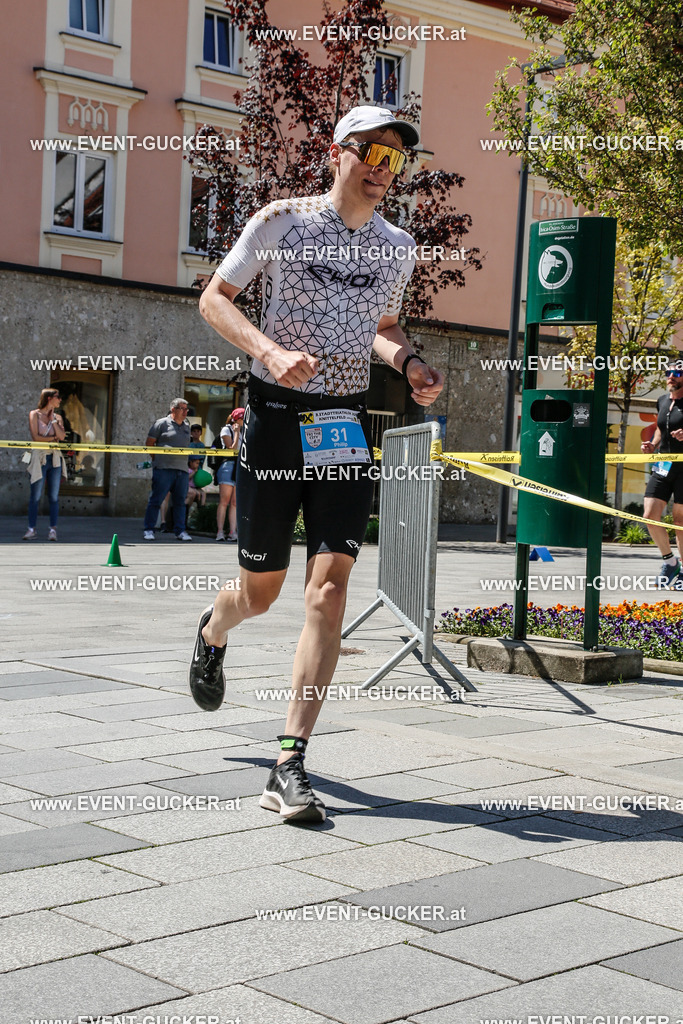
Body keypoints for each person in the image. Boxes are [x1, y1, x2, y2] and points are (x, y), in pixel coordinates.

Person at [189, 104, 444, 824]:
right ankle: (212, 629)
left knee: (328, 592)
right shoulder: (282, 220)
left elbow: (382, 327)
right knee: (260, 594)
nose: (382, 168)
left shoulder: (397, 246)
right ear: (338, 152)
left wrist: (409, 361)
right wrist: (268, 352)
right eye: (371, 151)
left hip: (343, 426)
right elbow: (214, 298)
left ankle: (289, 761)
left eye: (395, 158)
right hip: (274, 420)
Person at [641, 364, 683, 586]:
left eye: (677, 373)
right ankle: (670, 562)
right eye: (668, 373)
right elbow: (660, 429)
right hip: (663, 465)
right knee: (649, 515)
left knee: (679, 521)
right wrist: (652, 444)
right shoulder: (662, 400)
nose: (671, 377)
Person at [143, 398, 193, 541]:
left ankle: (180, 531)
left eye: (186, 409)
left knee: (180, 502)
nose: (185, 412)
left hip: (182, 469)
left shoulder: (187, 426)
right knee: (156, 499)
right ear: (173, 409)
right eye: (182, 409)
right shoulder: (161, 423)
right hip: (163, 468)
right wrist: (157, 459)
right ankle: (149, 529)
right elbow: (149, 444)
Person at [24, 388, 67, 541]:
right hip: (39, 458)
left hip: (54, 458)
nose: (60, 400)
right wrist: (52, 439)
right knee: (35, 496)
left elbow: (62, 437)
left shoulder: (58, 417)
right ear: (49, 398)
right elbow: (36, 437)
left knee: (54, 496)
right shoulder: (34, 414)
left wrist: (53, 421)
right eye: (57, 397)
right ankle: (31, 529)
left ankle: (53, 530)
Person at [214, 407, 244, 542]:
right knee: (224, 501)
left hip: (240, 466)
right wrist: (236, 432)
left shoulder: (244, 431)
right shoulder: (226, 430)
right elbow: (232, 448)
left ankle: (233, 531)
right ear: (236, 419)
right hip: (227, 466)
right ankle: (220, 531)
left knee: (235, 502)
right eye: (243, 418)